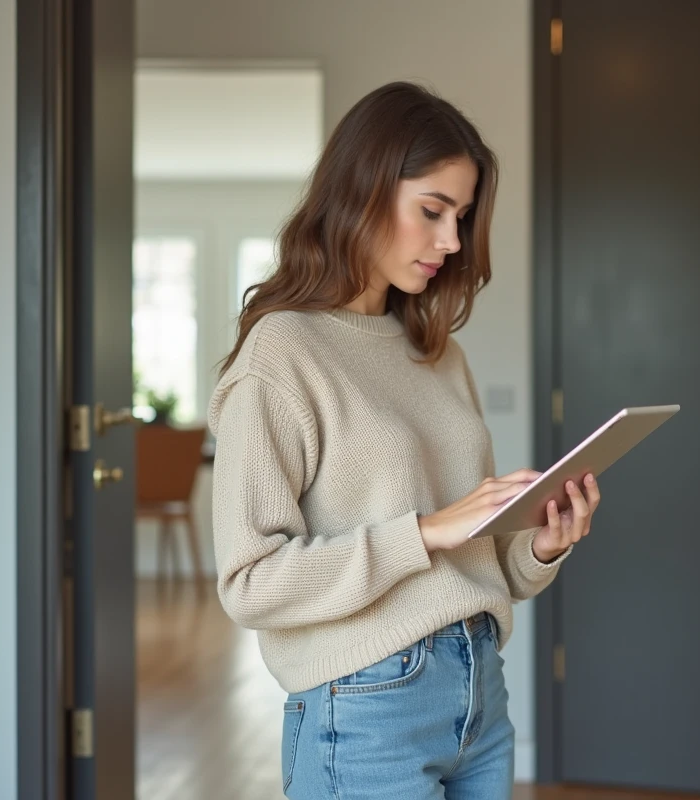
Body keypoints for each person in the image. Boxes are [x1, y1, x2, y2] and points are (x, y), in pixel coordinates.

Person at [208, 81, 601, 799]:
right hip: (366, 704)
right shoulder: (283, 352)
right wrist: (423, 532)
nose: (451, 241)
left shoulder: (436, 352)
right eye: (433, 211)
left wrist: (540, 545)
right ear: (362, 190)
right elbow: (250, 583)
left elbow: (474, 558)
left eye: (463, 216)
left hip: (480, 688)